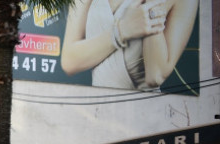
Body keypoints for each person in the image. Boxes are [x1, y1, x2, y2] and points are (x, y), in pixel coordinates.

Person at [61, 0, 198, 90]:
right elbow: (69, 62)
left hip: (142, 114)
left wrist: (150, 7)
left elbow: (155, 76)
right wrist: (121, 30)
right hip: (97, 108)